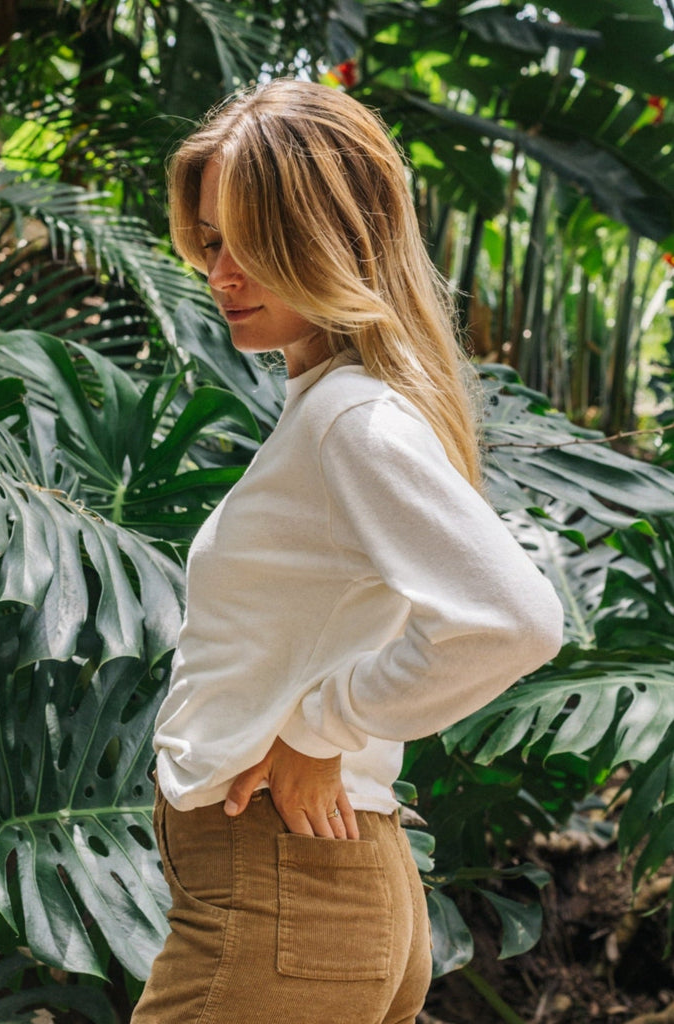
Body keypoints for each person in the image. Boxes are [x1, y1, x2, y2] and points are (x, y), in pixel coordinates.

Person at [131, 79, 564, 1024]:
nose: (222, 273)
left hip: (282, 881)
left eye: (255, 243)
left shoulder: (350, 418)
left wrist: (318, 730)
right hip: (315, 880)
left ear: (338, 239)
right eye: (211, 240)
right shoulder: (339, 409)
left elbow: (518, 622)